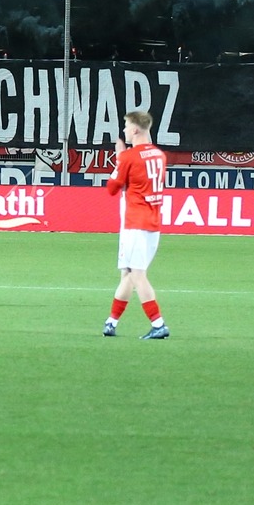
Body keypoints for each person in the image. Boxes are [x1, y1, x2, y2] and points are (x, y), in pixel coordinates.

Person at [104, 110, 171, 340]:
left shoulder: (130, 158)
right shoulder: (159, 155)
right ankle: (111, 322)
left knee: (138, 274)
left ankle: (158, 323)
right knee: (128, 273)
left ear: (134, 130)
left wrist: (119, 161)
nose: (124, 131)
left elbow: (112, 189)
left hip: (136, 222)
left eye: (126, 127)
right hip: (152, 222)